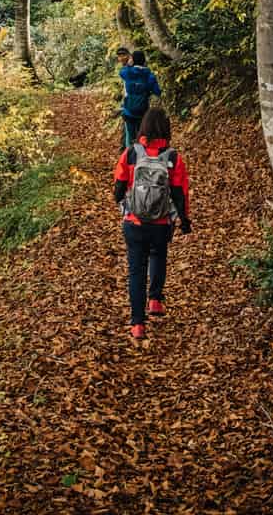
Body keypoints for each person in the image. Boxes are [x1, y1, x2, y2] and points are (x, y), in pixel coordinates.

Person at [113, 105, 191, 341]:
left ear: (143, 128)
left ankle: (137, 325)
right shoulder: (173, 157)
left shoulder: (131, 154)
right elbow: (179, 193)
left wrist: (126, 201)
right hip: (161, 223)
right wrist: (184, 220)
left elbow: (117, 190)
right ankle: (155, 301)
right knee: (159, 255)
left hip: (134, 222)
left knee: (136, 270)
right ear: (166, 129)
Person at [117, 48, 161, 146]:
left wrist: (129, 65)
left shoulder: (127, 72)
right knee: (142, 135)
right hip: (143, 110)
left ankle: (129, 156)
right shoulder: (149, 75)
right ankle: (141, 156)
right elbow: (158, 92)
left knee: (129, 136)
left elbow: (121, 72)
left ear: (132, 60)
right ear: (144, 61)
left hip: (129, 110)